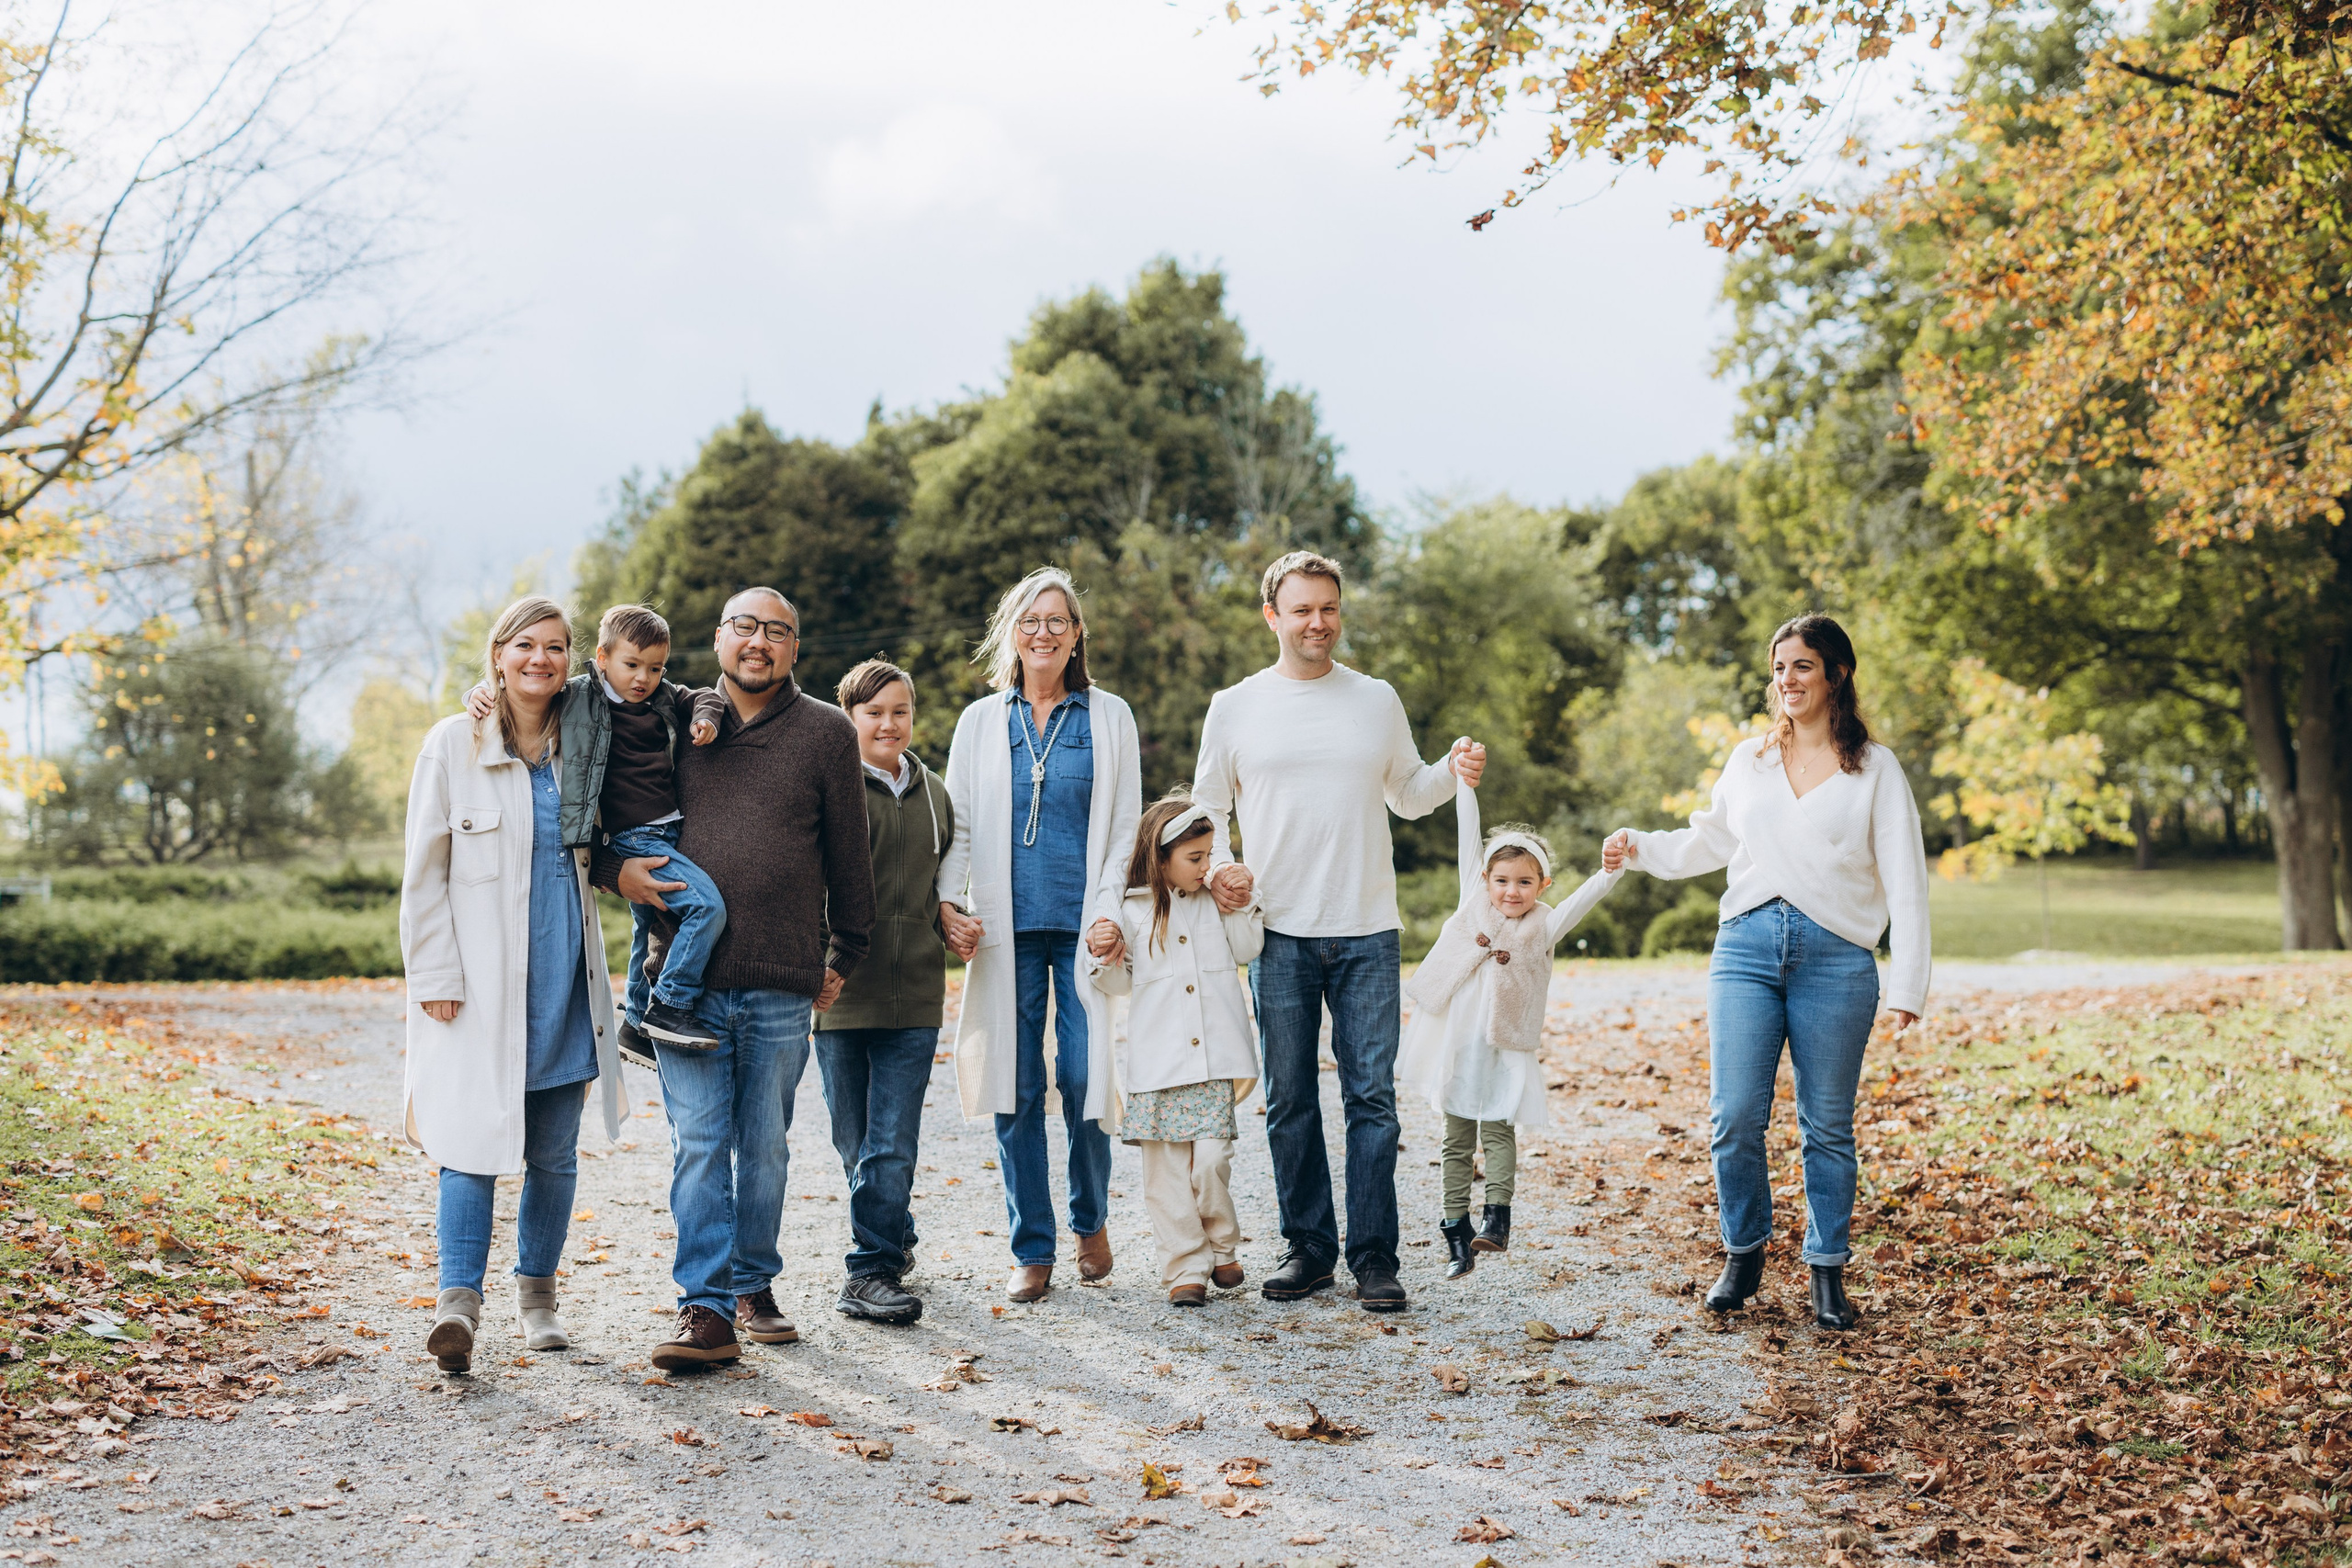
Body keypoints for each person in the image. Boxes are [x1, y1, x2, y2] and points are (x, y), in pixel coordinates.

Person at [1602, 613, 1929, 1331]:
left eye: (1802, 665)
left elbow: (1906, 877)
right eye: (1779, 668)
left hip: (1837, 958)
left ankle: (1826, 1271)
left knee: (1827, 1125)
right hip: (1746, 949)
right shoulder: (1748, 760)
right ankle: (1744, 1252)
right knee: (1734, 1117)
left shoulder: (1875, 768)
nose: (1787, 680)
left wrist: (1909, 982)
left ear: (1837, 673)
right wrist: (1640, 847)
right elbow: (1708, 839)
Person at [1193, 549, 1485, 1313]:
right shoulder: (1235, 705)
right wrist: (1219, 868)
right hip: (1277, 932)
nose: (1317, 622)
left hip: (1366, 929)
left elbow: (1410, 793)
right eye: (1302, 609)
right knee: (1290, 1100)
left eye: (1328, 608)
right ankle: (1310, 1248)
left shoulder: (1375, 698)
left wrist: (1452, 768)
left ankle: (1375, 1257)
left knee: (1371, 1101)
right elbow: (1206, 809)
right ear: (1272, 616)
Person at [596, 588, 876, 1370]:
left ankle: (752, 1284)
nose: (759, 641)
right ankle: (707, 1308)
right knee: (698, 1145)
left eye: (777, 630)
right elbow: (603, 804)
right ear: (719, 638)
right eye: (745, 627)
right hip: (682, 991)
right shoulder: (671, 716)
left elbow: (850, 855)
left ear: (795, 647)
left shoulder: (825, 731)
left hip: (782, 980)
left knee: (764, 1148)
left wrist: (844, 954)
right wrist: (615, 872)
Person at [400, 595, 628, 1371]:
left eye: (556, 647)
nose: (540, 659)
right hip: (478, 990)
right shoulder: (451, 744)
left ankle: (538, 1300)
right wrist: (435, 972)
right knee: (467, 1143)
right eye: (525, 645)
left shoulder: (586, 745)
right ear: (498, 654)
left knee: (554, 1154)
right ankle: (457, 1307)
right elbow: (423, 874)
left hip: (563, 983)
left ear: (571, 661)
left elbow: (649, 694)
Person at [935, 567, 1142, 1303]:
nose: (1044, 632)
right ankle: (1033, 1245)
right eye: (1030, 619)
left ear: (1077, 633)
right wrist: (949, 902)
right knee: (1015, 1082)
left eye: (1058, 619)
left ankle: (1090, 1218)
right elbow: (958, 824)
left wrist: (1111, 908)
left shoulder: (1109, 716)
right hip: (1005, 928)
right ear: (1011, 633)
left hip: (1084, 927)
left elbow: (1124, 827)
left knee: (1085, 1076)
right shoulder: (979, 721)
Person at [464, 604, 728, 1055]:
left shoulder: (663, 696)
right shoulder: (580, 696)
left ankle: (637, 1025)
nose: (643, 678)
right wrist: (478, 692)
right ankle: (671, 1003)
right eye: (632, 665)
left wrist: (706, 718)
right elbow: (525, 688)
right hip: (632, 835)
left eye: (655, 668)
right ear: (603, 658)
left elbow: (705, 696)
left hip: (666, 830)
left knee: (651, 930)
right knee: (707, 907)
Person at [1399, 769, 1622, 1279]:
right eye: (1502, 880)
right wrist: (1465, 784)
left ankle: (1495, 1220)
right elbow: (1467, 836)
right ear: (1485, 880)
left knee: (1499, 1130)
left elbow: (1583, 901)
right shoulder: (1471, 901)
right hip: (1458, 1046)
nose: (1512, 891)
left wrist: (1610, 872)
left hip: (1503, 1048)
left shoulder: (1545, 924)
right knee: (1456, 1139)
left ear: (1542, 885)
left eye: (1525, 882)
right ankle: (1456, 1233)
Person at [813, 659, 956, 1326]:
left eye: (900, 711)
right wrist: (816, 961)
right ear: (849, 718)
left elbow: (948, 878)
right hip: (840, 993)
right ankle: (892, 1227)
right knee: (854, 1141)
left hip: (917, 995)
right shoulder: (828, 787)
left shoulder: (935, 793)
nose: (888, 723)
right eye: (874, 713)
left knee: (891, 1141)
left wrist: (956, 917)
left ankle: (870, 1270)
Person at [1086, 795, 1264, 1306]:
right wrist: (1104, 954)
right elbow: (1117, 984)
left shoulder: (1215, 899)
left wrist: (1242, 898)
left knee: (1210, 1163)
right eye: (1196, 857)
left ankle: (1222, 1246)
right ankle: (1185, 1267)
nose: (1207, 865)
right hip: (1158, 1065)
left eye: (1210, 855)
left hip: (1213, 1061)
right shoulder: (1129, 909)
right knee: (1166, 1177)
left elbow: (1248, 948)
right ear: (1160, 858)